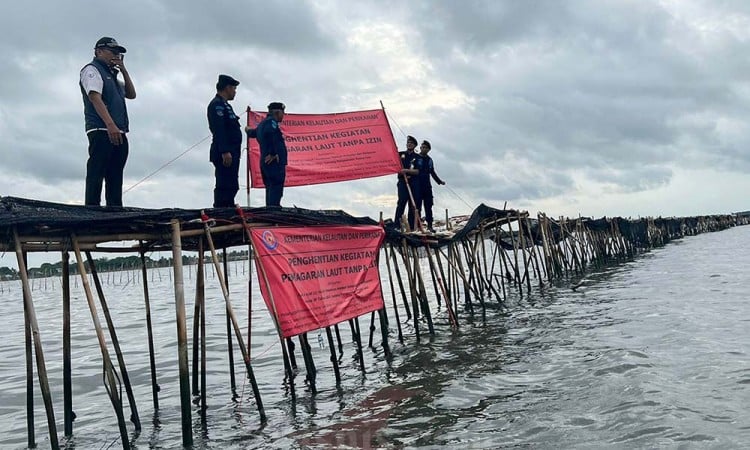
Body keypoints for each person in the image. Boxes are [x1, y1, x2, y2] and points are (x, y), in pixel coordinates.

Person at [80, 37, 136, 206]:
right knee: (96, 174)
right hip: (101, 129)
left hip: (119, 131)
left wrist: (124, 70)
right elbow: (94, 97)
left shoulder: (112, 75)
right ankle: (91, 212)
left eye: (118, 53)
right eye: (112, 52)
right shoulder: (92, 70)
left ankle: (114, 209)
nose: (116, 56)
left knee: (115, 175)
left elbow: (131, 94)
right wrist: (110, 124)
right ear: (99, 51)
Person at [207, 74, 242, 207]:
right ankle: (221, 211)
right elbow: (219, 129)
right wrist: (225, 151)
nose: (235, 92)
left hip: (233, 152)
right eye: (234, 88)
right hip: (225, 153)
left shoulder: (225, 105)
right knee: (224, 185)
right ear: (227, 88)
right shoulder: (217, 105)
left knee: (232, 184)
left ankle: (228, 208)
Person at [250, 102, 288, 207]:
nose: (283, 115)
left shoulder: (263, 124)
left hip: (265, 161)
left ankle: (270, 210)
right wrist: (273, 153)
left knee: (270, 188)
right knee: (276, 187)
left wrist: (247, 130)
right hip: (273, 161)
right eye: (282, 113)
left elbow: (252, 133)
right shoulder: (271, 123)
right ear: (277, 112)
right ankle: (273, 211)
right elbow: (270, 134)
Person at [416, 140, 445, 232]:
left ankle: (429, 225)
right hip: (417, 185)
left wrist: (439, 181)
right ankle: (418, 226)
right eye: (422, 147)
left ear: (429, 149)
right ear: (420, 148)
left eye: (425, 148)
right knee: (418, 206)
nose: (423, 149)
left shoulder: (429, 160)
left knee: (428, 206)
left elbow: (432, 172)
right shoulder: (416, 158)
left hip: (427, 186)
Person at [393, 135, 422, 230]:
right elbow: (394, 165)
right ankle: (397, 225)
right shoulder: (400, 154)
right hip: (402, 182)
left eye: (411, 143)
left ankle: (411, 226)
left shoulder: (417, 157)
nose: (409, 144)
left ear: (415, 145)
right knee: (401, 202)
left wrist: (406, 171)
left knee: (412, 205)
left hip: (413, 182)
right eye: (408, 143)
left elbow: (418, 171)